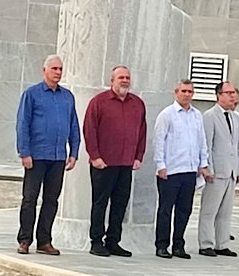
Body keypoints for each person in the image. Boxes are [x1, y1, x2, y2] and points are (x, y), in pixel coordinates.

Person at [15, 55, 80, 256]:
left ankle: (44, 240)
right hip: (36, 155)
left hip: (57, 156)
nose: (58, 72)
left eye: (60, 69)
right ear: (44, 70)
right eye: (54, 69)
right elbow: (22, 123)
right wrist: (24, 152)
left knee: (51, 200)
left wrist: (74, 152)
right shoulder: (32, 94)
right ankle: (25, 239)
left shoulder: (67, 96)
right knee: (30, 199)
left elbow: (73, 125)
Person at [82, 65, 146, 258]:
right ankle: (96, 241)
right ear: (112, 81)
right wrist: (95, 156)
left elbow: (142, 132)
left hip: (125, 164)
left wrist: (138, 156)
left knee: (120, 204)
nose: (125, 81)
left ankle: (113, 241)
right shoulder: (99, 102)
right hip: (104, 163)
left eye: (127, 77)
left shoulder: (137, 104)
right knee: (100, 203)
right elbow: (89, 130)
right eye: (121, 78)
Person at [153, 80, 209, 260]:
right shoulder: (167, 115)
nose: (187, 94)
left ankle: (179, 244)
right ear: (176, 92)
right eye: (183, 91)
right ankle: (162, 245)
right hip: (171, 170)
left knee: (185, 209)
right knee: (166, 209)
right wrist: (160, 165)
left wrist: (203, 163)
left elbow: (202, 141)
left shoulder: (196, 115)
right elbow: (159, 140)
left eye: (190, 91)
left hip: (189, 169)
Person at [198, 82, 239, 257]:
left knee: (225, 211)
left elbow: (236, 146)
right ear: (219, 95)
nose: (232, 96)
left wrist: (238, 170)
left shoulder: (235, 117)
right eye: (228, 92)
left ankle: (222, 243)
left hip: (230, 171)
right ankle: (206, 243)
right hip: (216, 170)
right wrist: (207, 167)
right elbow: (207, 144)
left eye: (234, 92)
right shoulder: (210, 116)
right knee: (210, 210)